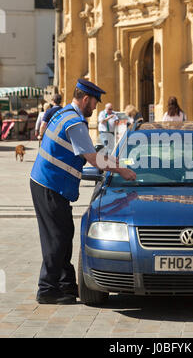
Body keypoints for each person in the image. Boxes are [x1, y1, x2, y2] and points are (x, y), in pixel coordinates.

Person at [30, 79, 136, 305]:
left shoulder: (64, 113)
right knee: (56, 238)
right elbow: (92, 159)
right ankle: (47, 289)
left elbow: (86, 155)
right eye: (95, 102)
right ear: (86, 99)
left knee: (64, 232)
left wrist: (109, 160)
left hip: (48, 183)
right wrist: (121, 170)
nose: (96, 107)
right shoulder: (75, 122)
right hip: (49, 184)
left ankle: (66, 284)